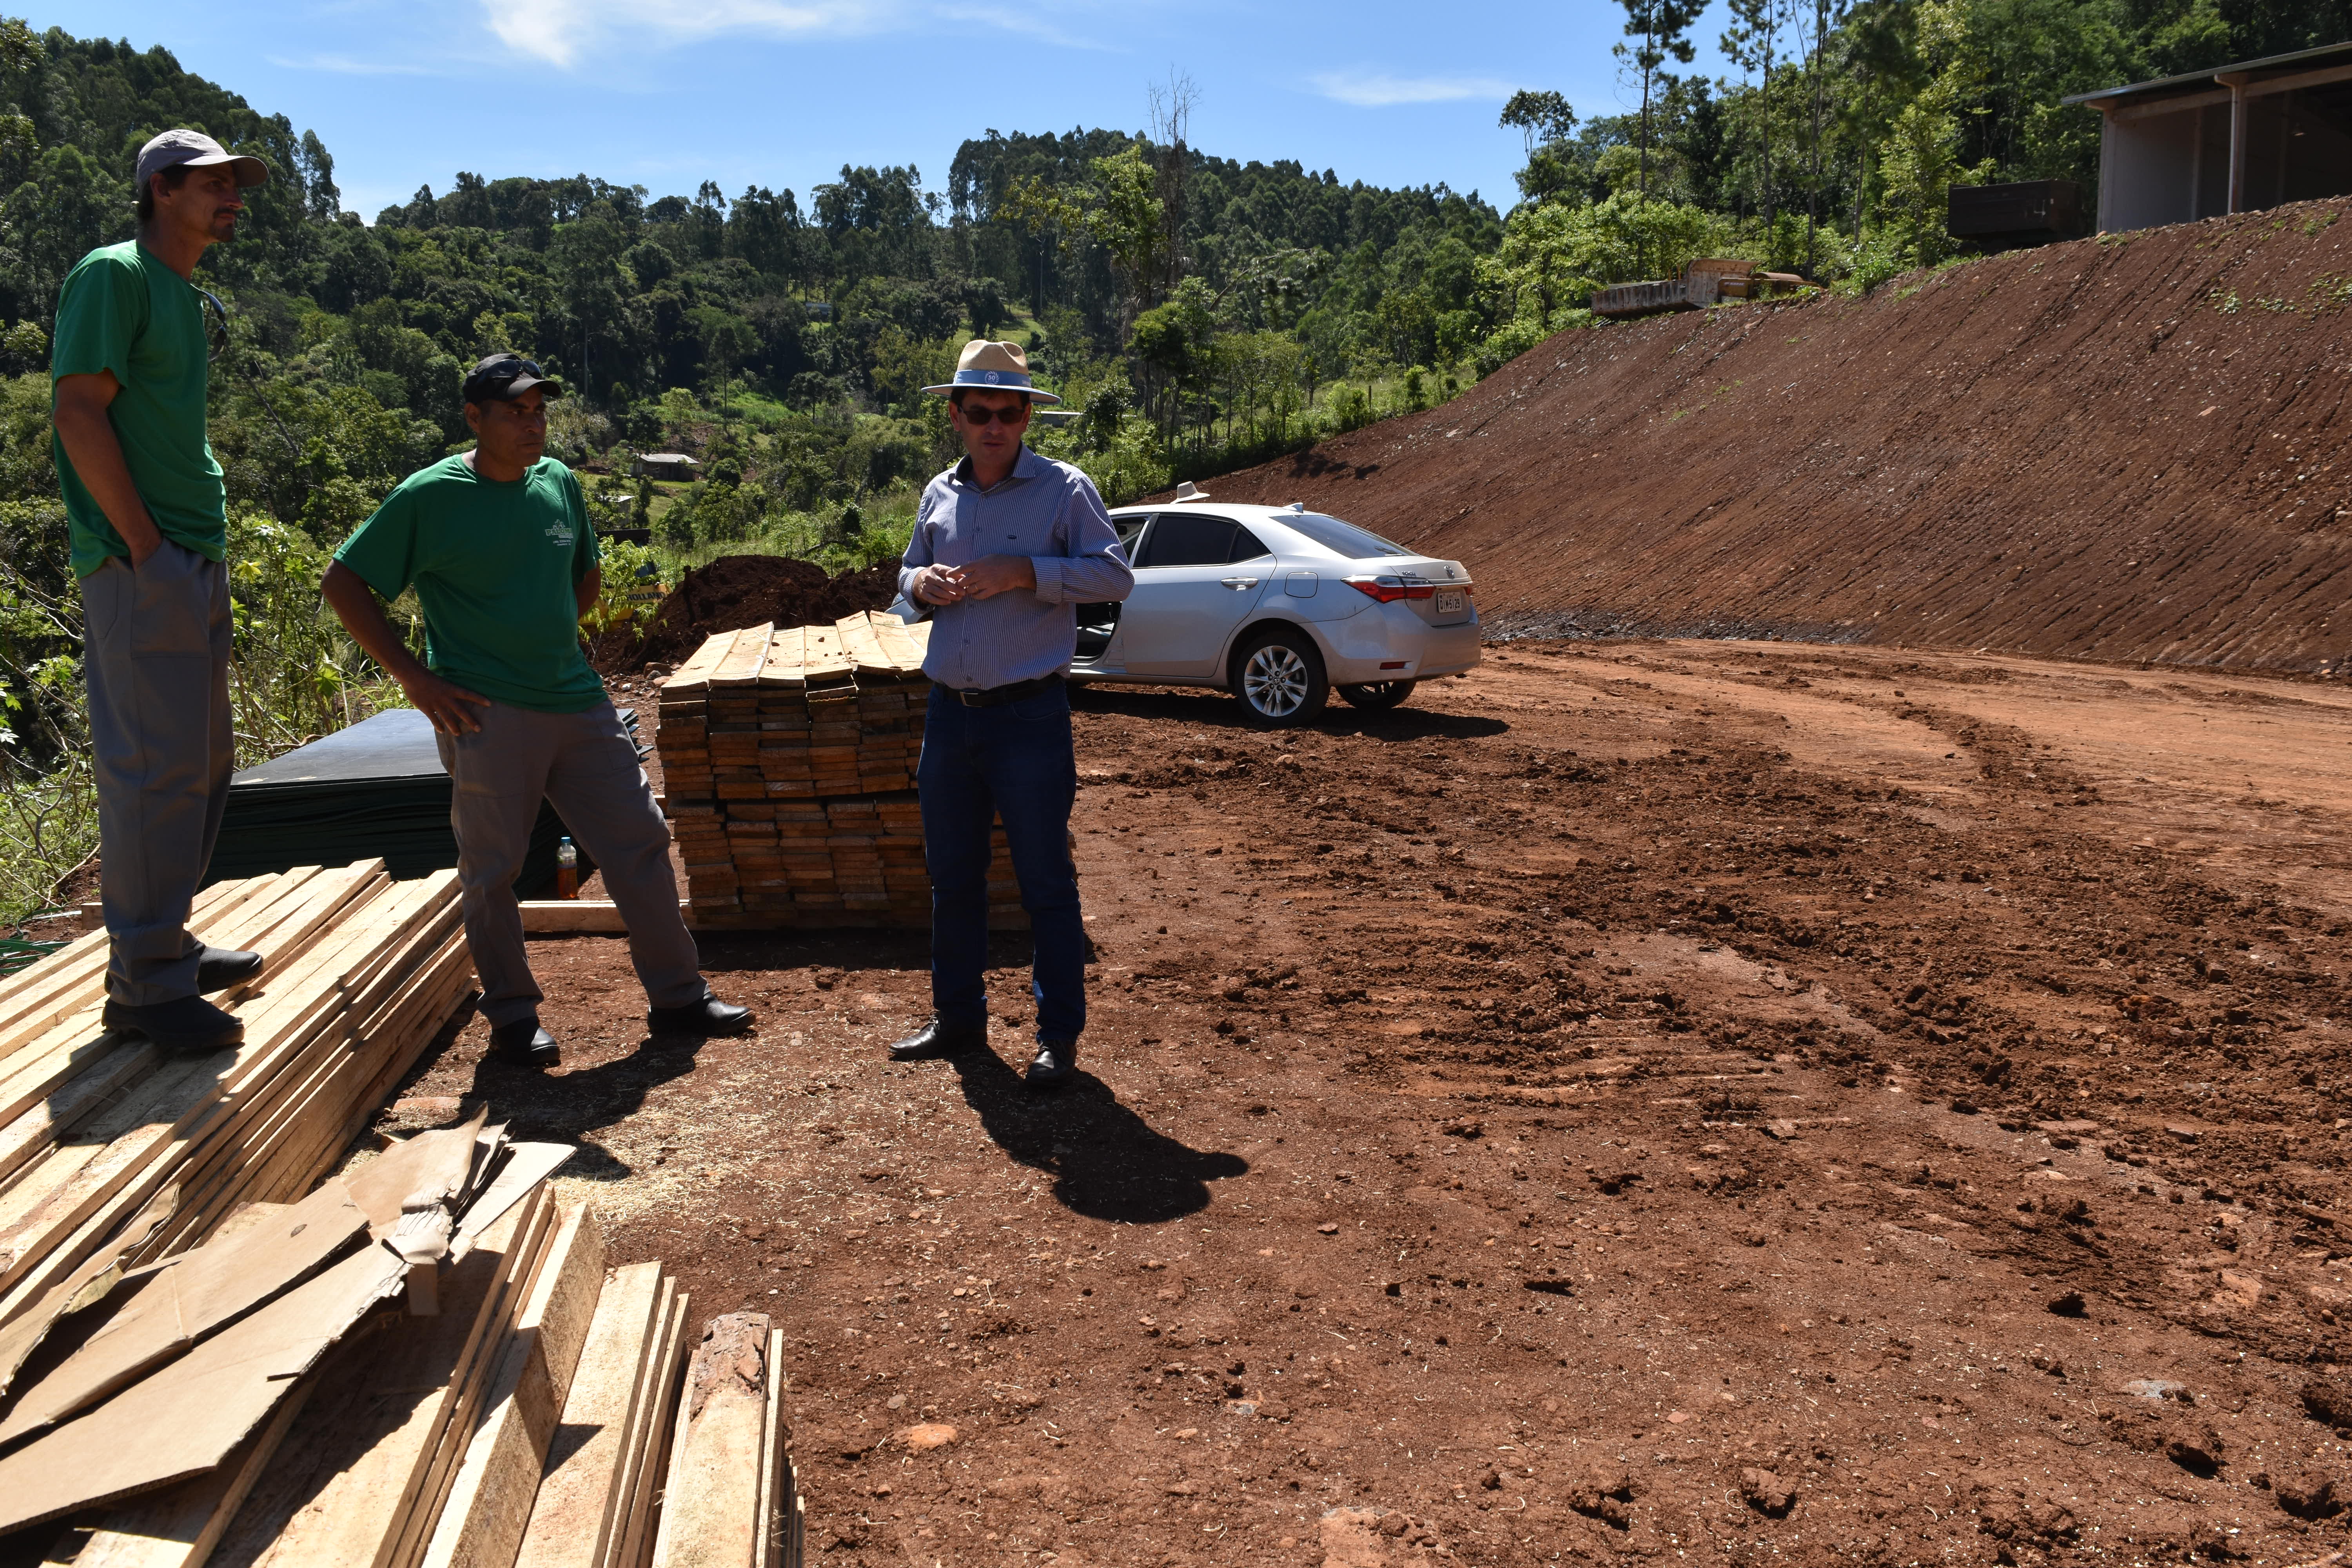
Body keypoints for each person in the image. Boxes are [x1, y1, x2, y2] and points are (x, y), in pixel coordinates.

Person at [321, 353, 750, 1067]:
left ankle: (679, 996)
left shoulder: (558, 485)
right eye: (515, 411)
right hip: (486, 711)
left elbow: (584, 580)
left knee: (638, 841)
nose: (532, 423)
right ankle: (515, 1018)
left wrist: (546, 635)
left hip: (577, 699)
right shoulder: (431, 496)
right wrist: (414, 678)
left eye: (539, 410)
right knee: (494, 868)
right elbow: (345, 581)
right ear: (474, 417)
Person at [52, 130, 270, 1053]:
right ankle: (143, 984)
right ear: (162, 188)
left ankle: (165, 941)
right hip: (144, 562)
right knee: (152, 771)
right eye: (216, 184)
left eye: (235, 185)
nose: (234, 197)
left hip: (188, 554)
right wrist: (143, 545)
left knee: (202, 765)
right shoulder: (117, 274)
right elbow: (76, 410)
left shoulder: (178, 289)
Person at [887, 340, 1133, 1089]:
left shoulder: (1064, 490)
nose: (995, 424)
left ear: (1029, 416)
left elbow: (1115, 576)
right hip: (949, 716)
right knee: (953, 879)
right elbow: (902, 580)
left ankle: (1058, 1035)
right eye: (980, 410)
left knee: (1044, 884)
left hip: (1029, 716)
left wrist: (1027, 571)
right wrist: (922, 580)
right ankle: (957, 1016)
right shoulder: (939, 494)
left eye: (1010, 410)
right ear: (955, 416)